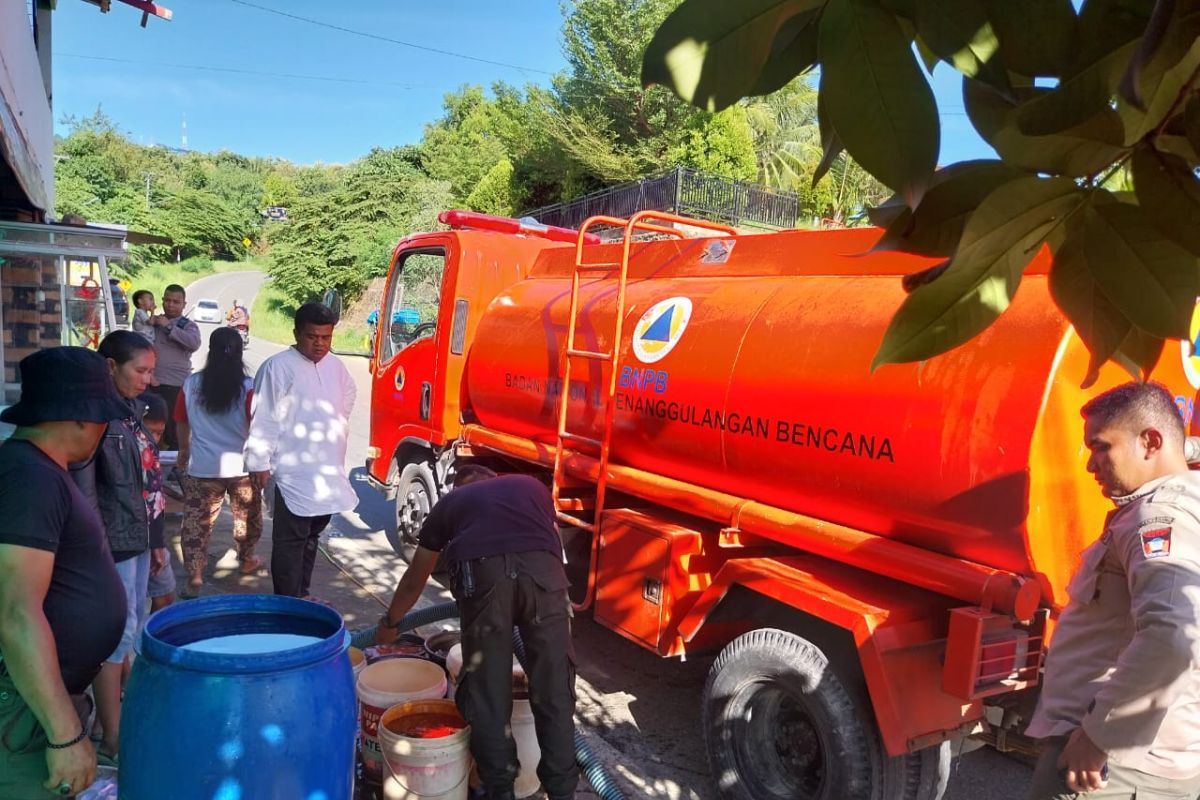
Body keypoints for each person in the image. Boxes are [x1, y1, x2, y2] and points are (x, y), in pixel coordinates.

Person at [1026, 381, 1200, 800]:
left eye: (1101, 447)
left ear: (1150, 442)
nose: (1090, 464)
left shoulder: (1159, 517)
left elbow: (1172, 638)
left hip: (1111, 770)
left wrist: (1101, 735)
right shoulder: (1183, 499)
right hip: (1148, 757)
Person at [378, 466, 578, 800]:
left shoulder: (451, 502)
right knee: (555, 689)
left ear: (459, 487)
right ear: (492, 479)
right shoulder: (531, 485)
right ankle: (562, 792)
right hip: (546, 578)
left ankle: (499, 790)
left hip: (484, 579)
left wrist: (390, 622)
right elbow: (553, 543)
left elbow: (416, 576)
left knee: (487, 693)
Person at [0, 347, 129, 799]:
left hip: (43, 702)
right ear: (78, 416)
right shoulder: (29, 478)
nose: (104, 427)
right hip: (24, 713)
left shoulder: (42, 472)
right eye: (101, 416)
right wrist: (65, 734)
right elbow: (16, 610)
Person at [72, 331, 165, 767]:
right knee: (117, 634)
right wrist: (95, 553)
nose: (149, 379)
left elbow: (149, 481)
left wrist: (157, 537)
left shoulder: (129, 410)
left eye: (151, 370)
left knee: (131, 627)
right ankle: (111, 735)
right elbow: (86, 494)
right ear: (110, 366)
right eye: (140, 370)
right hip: (111, 544)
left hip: (138, 538)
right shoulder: (94, 418)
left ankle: (118, 712)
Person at [245, 302, 356, 599]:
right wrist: (259, 461)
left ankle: (302, 594)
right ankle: (288, 603)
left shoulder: (336, 366)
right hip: (291, 471)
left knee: (312, 536)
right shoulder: (278, 367)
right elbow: (264, 414)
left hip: (326, 470)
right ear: (296, 333)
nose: (319, 344)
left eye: (326, 337)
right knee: (290, 541)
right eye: (312, 336)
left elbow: (348, 395)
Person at [176, 326, 263, 599]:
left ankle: (196, 575)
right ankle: (247, 559)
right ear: (240, 353)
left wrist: (183, 450)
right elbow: (258, 428)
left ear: (210, 352)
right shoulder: (249, 387)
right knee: (247, 518)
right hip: (242, 469)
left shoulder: (191, 384)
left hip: (203, 468)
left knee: (196, 523)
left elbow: (180, 420)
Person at [147, 283, 201, 450]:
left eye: (176, 302)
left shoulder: (188, 325)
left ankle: (176, 465)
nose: (170, 304)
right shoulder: (154, 322)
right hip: (149, 382)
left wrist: (169, 326)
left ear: (184, 304)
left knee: (172, 428)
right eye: (167, 300)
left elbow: (194, 344)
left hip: (174, 385)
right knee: (149, 425)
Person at [139, 393, 177, 612]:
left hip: (154, 537)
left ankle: (149, 640)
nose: (153, 438)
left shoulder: (151, 453)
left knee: (165, 594)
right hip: (132, 539)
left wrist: (157, 542)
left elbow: (155, 496)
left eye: (159, 433)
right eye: (148, 430)